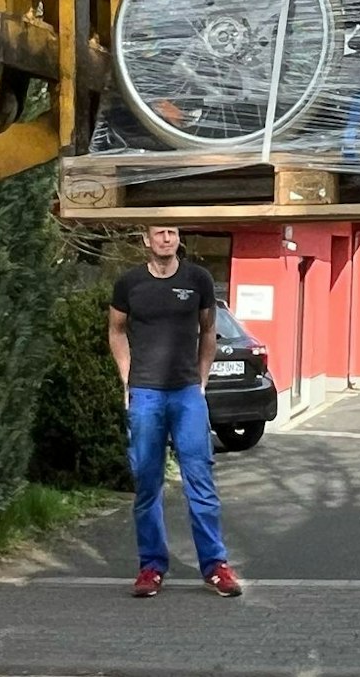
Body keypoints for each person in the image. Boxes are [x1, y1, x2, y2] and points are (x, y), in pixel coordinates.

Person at [109, 224, 243, 598]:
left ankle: (215, 566)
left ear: (178, 238)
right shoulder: (129, 283)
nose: (166, 238)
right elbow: (116, 330)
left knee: (200, 483)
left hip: (186, 395)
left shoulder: (198, 279)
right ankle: (151, 567)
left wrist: (200, 383)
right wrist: (127, 379)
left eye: (172, 232)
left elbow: (209, 331)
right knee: (148, 483)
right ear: (146, 240)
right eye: (159, 233)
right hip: (146, 394)